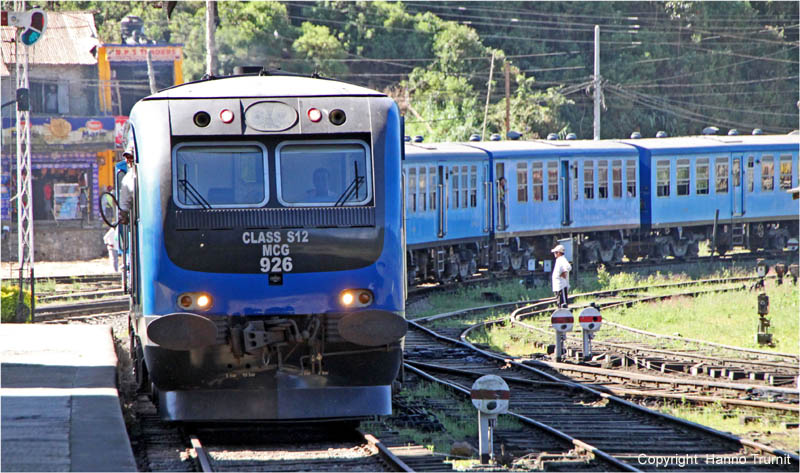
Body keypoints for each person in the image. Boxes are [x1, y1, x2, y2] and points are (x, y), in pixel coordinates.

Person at [118, 145, 136, 224]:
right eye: (127, 158)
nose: (128, 160)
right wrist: (123, 215)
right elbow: (124, 203)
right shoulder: (128, 178)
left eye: (131, 157)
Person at [551, 244, 571, 308]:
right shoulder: (559, 260)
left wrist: (563, 275)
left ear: (559, 253)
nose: (554, 254)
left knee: (563, 304)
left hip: (561, 286)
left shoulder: (562, 260)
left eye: (556, 252)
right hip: (558, 287)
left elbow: (568, 268)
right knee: (560, 304)